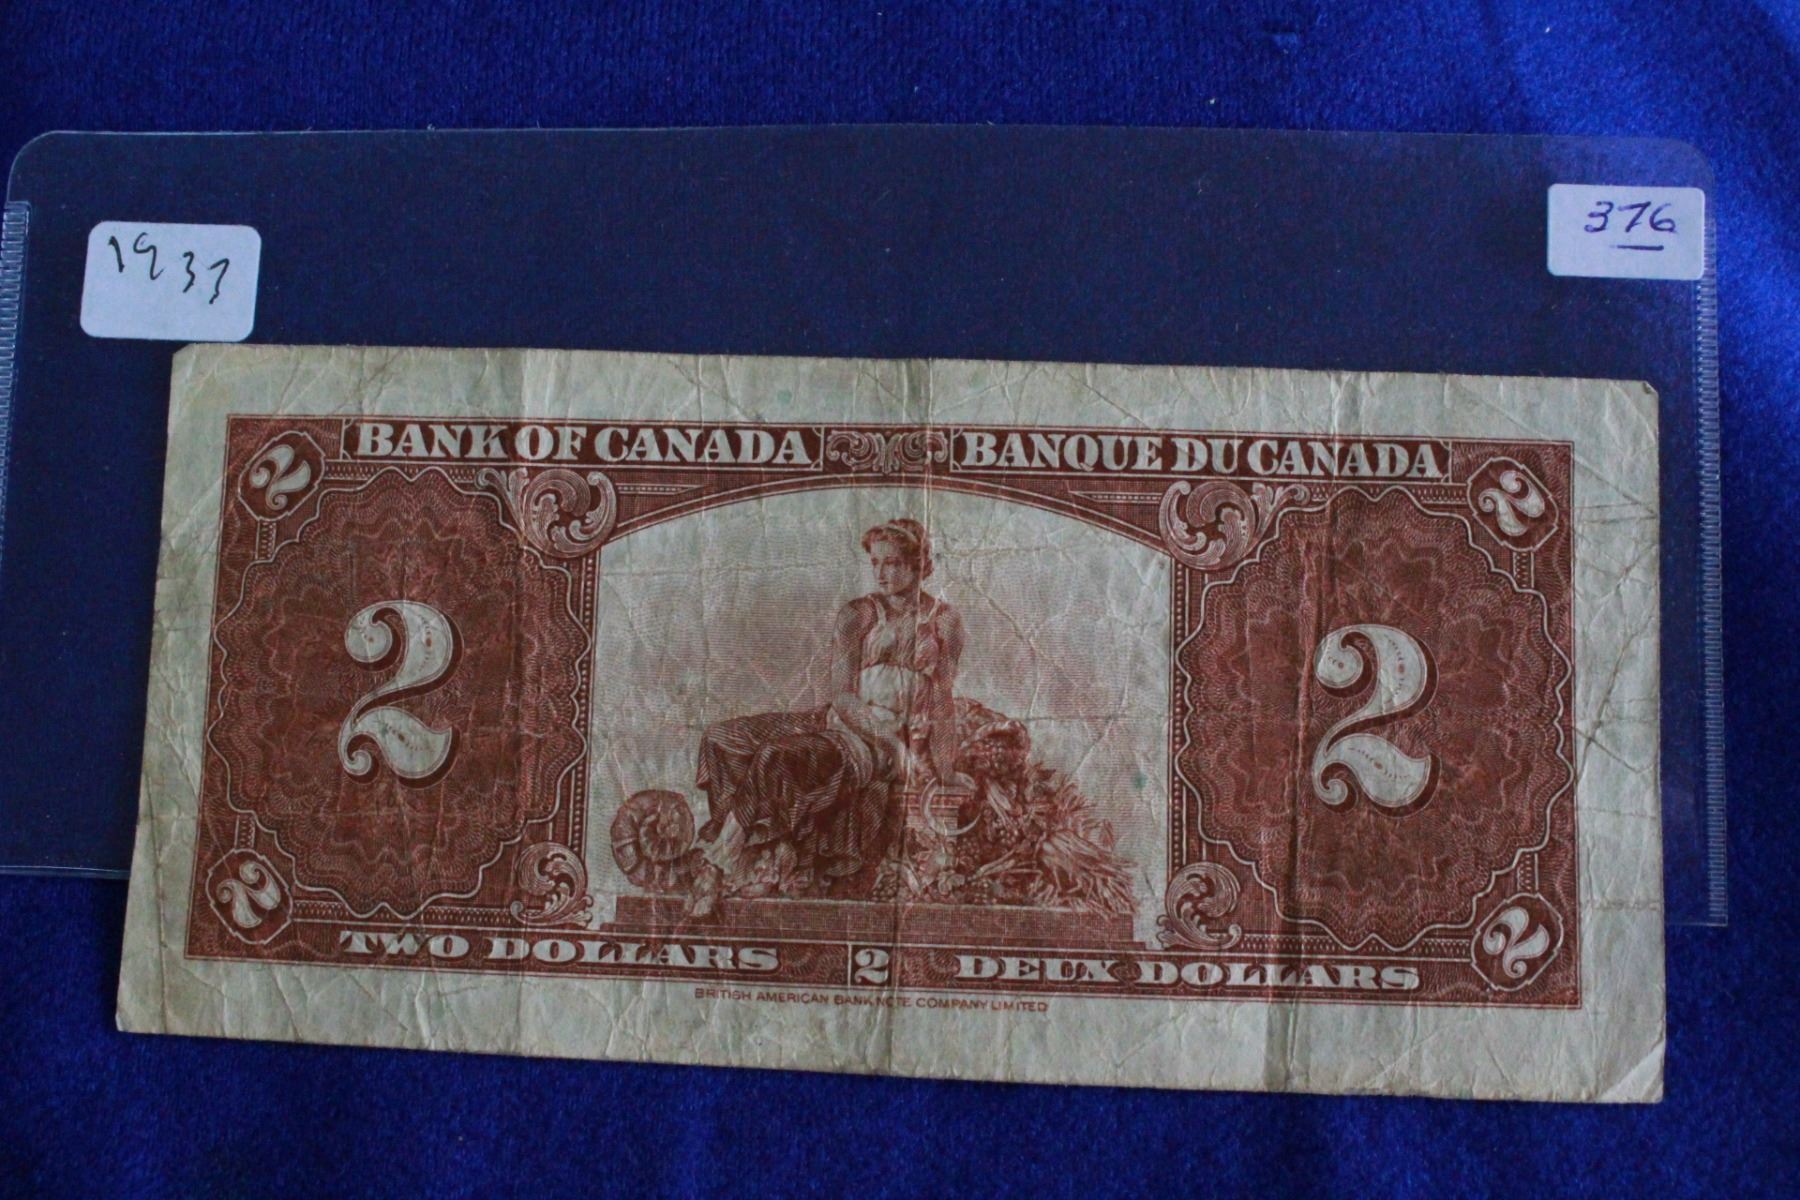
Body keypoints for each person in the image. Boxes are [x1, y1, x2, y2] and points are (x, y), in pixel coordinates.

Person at [686, 518, 966, 916]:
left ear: (917, 565)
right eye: (875, 562)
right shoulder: (859, 613)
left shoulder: (944, 620)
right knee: (720, 738)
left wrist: (945, 770)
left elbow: (941, 701)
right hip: (849, 723)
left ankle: (717, 865)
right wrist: (886, 739)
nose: (881, 573)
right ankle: (756, 850)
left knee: (776, 756)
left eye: (892, 563)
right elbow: (842, 694)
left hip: (878, 744)